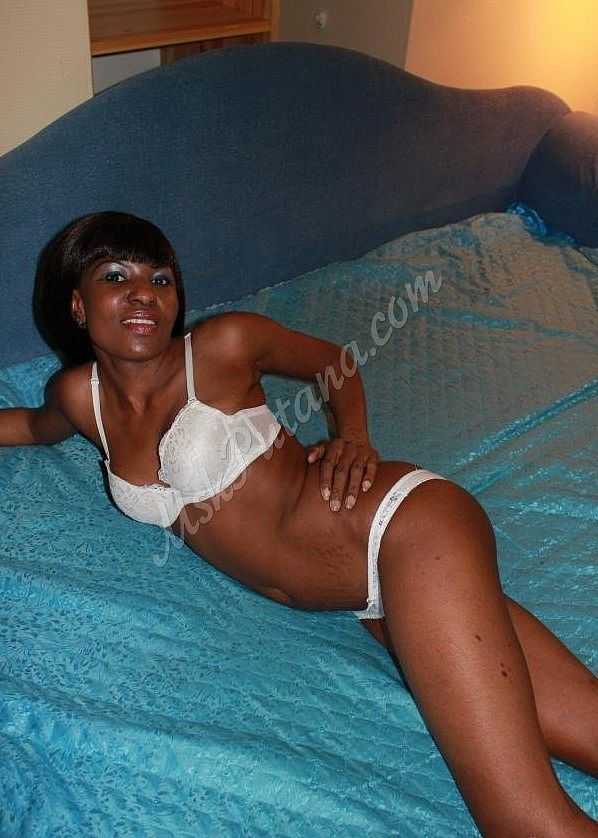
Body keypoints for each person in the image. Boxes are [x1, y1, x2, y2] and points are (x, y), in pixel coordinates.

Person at [2, 211, 597, 837]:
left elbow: (334, 362)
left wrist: (354, 438)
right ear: (77, 304)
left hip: (402, 528)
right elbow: (29, 428)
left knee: (522, 823)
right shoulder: (80, 398)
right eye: (115, 276)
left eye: (161, 279)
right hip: (375, 602)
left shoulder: (223, 344)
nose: (143, 294)